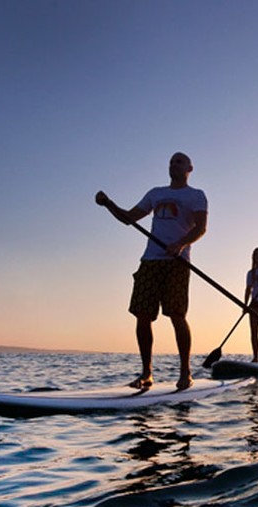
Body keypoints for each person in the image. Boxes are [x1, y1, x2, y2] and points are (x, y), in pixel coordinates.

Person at [95, 152, 207, 390]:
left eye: (179, 161)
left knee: (177, 316)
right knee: (142, 315)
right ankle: (147, 373)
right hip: (150, 261)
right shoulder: (155, 193)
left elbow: (201, 228)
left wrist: (180, 244)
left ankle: (185, 373)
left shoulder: (196, 196)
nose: (173, 164)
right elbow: (128, 218)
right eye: (171, 161)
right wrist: (108, 204)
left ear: (190, 168)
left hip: (177, 263)